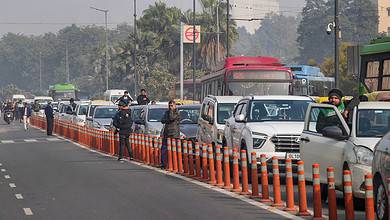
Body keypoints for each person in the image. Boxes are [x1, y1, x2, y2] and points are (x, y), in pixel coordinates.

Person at [160, 100, 180, 168]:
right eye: (169, 105)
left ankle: (174, 164)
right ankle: (163, 164)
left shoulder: (177, 112)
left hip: (174, 134)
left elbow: (172, 118)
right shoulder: (166, 112)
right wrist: (168, 120)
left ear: (175, 106)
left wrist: (171, 111)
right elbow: (162, 120)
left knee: (174, 150)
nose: (170, 107)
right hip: (166, 133)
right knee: (163, 149)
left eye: (172, 105)